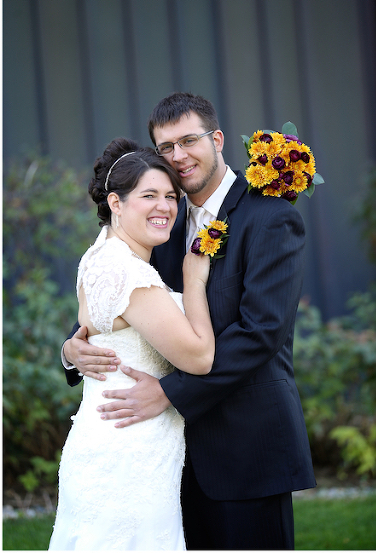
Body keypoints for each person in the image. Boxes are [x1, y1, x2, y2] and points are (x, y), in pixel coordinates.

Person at [62, 93, 316, 550]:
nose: (178, 156)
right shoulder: (161, 222)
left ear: (217, 139)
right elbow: (126, 298)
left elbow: (261, 332)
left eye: (189, 140)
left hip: (245, 446)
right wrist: (73, 348)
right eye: (165, 147)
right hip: (165, 457)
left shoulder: (271, 218)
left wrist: (167, 391)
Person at [49, 138, 214, 549]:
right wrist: (193, 281)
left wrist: (70, 349)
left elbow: (93, 328)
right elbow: (199, 357)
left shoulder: (101, 254)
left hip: (109, 442)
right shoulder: (129, 272)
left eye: (171, 197)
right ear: (116, 203)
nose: (165, 207)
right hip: (130, 452)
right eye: (149, 196)